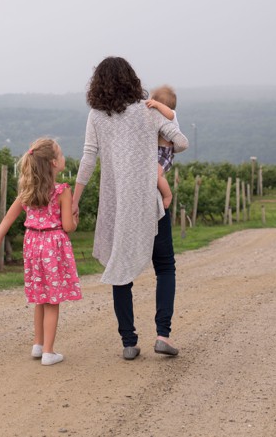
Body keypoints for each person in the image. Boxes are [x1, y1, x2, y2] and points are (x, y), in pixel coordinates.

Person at [72, 57, 188, 360]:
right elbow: (182, 142)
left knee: (119, 269)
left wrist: (75, 199)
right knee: (165, 267)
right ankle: (163, 334)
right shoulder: (147, 111)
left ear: (97, 85)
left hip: (118, 206)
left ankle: (129, 342)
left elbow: (88, 159)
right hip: (149, 203)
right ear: (132, 80)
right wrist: (167, 118)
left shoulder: (96, 116)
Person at [0, 138, 81, 366]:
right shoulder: (62, 191)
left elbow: (8, 218)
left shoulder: (26, 191)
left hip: (32, 245)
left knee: (41, 297)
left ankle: (38, 345)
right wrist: (75, 218)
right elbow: (68, 227)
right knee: (52, 300)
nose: (63, 157)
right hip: (53, 246)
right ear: (53, 163)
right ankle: (49, 352)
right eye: (60, 154)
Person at [145, 85, 179, 209]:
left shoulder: (171, 114)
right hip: (158, 151)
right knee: (154, 174)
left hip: (165, 152)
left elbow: (169, 114)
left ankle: (168, 195)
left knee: (156, 174)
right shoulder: (159, 116)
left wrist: (157, 105)